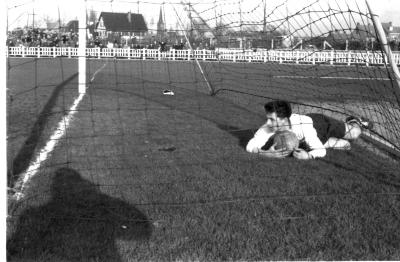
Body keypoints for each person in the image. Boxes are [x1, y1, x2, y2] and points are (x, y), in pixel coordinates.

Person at [246, 100, 373, 160]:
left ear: (284, 119)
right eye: (268, 119)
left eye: (272, 119)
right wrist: (264, 153)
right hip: (310, 139)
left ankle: (355, 122)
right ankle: (329, 141)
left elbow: (321, 151)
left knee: (355, 134)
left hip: (322, 125)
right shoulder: (270, 126)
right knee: (345, 145)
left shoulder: (303, 125)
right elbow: (251, 144)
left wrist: (308, 156)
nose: (268, 123)